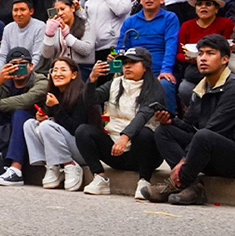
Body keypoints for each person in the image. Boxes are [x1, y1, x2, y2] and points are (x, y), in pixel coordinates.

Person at [143, 34, 235, 205]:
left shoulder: (232, 88)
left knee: (204, 136)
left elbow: (215, 130)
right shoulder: (201, 88)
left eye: (210, 53)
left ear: (224, 59)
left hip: (229, 156)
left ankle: (177, 183)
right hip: (206, 151)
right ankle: (192, 186)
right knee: (163, 131)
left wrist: (184, 161)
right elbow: (188, 127)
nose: (203, 59)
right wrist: (170, 120)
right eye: (200, 54)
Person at [75, 47, 164, 198]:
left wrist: (125, 137)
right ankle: (100, 177)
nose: (127, 66)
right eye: (125, 63)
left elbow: (142, 116)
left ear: (146, 67)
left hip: (143, 152)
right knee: (83, 131)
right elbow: (90, 100)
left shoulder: (155, 87)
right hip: (115, 149)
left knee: (145, 133)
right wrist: (92, 80)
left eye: (133, 63)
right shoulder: (115, 83)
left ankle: (144, 180)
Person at [0, 47, 48, 186]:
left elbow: (26, 100)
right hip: (6, 118)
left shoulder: (41, 81)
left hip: (30, 121)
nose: (18, 68)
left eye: (22, 64)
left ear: (31, 66)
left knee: (19, 112)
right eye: (13, 64)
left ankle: (16, 170)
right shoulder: (4, 81)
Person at [24, 57, 97, 191]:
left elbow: (76, 129)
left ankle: (70, 165)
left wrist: (56, 108)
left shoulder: (82, 94)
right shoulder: (54, 93)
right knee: (30, 124)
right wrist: (45, 115)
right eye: (54, 70)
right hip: (63, 145)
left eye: (63, 70)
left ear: (74, 74)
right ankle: (52, 166)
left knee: (46, 125)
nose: (58, 74)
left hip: (84, 149)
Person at [116, 0, 181, 115]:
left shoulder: (170, 18)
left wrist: (166, 70)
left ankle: (170, 123)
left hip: (159, 71)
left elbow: (171, 46)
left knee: (165, 85)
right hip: (134, 71)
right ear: (139, 0)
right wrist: (115, 67)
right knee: (114, 85)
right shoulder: (130, 21)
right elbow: (120, 49)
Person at [176, 0, 234, 108]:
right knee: (184, 88)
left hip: (221, 67)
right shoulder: (186, 26)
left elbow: (227, 47)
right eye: (199, 4)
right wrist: (187, 58)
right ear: (195, 8)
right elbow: (179, 53)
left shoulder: (226, 24)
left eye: (208, 4)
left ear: (216, 9)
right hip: (195, 68)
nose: (203, 7)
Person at [83, 0, 132, 65]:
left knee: (113, 77)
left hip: (114, 47)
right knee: (99, 79)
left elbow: (121, 10)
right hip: (94, 48)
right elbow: (84, 16)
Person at [0, 0, 46, 78]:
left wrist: (23, 72)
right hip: (11, 71)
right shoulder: (8, 28)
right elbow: (2, 55)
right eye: (15, 10)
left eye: (22, 10)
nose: (18, 14)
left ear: (31, 11)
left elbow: (37, 57)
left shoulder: (40, 27)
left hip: (33, 73)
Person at [40, 0, 94, 75]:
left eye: (63, 9)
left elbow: (86, 50)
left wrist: (67, 36)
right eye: (57, 11)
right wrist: (49, 35)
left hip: (82, 68)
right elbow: (47, 55)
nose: (60, 13)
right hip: (59, 70)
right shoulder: (55, 28)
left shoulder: (86, 24)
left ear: (72, 8)